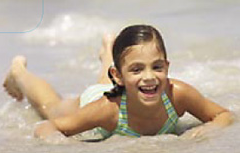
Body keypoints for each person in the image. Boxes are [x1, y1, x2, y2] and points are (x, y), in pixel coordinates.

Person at [3, 24, 233, 140]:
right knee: (52, 109)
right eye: (138, 68)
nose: (150, 76)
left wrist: (209, 130)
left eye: (157, 67)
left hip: (121, 87)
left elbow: (224, 115)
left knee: (122, 79)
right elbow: (48, 127)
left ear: (167, 67)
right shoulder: (106, 111)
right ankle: (19, 71)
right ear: (119, 76)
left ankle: (108, 51)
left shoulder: (177, 94)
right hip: (100, 98)